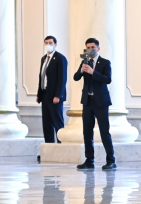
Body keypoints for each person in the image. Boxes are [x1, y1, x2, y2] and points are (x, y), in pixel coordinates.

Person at [73, 38, 116, 171]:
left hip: (101, 102)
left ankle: (111, 160)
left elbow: (107, 79)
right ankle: (89, 160)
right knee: (87, 132)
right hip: (87, 101)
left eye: (92, 47)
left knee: (104, 131)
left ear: (98, 48)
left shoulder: (105, 63)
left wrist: (93, 72)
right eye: (88, 47)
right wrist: (81, 70)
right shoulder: (85, 62)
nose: (90, 49)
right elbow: (75, 77)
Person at [37, 35, 67, 144]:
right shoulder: (43, 59)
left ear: (55, 44)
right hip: (45, 95)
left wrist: (58, 95)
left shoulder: (60, 58)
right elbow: (42, 76)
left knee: (57, 122)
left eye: (50, 43)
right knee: (46, 123)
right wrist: (39, 94)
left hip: (55, 96)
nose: (48, 45)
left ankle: (61, 147)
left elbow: (62, 79)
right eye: (46, 43)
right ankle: (49, 148)